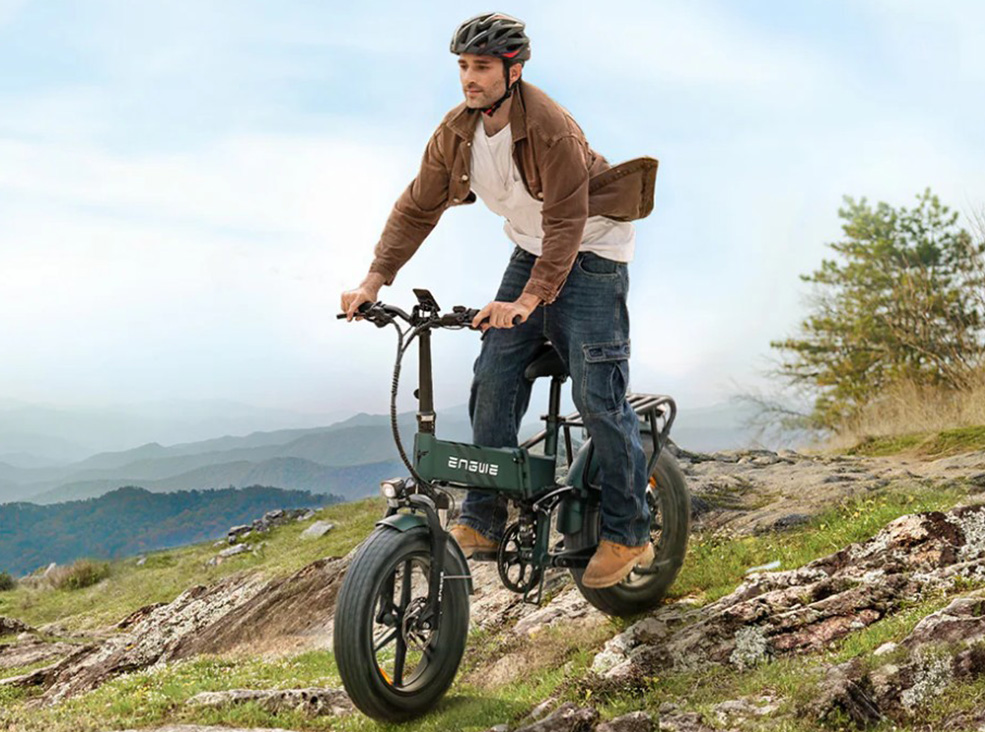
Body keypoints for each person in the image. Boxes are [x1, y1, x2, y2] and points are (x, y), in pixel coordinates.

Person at [341, 12, 658, 588]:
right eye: (463, 66)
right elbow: (417, 207)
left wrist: (529, 299)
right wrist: (373, 281)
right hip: (532, 250)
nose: (469, 78)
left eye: (482, 67)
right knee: (493, 373)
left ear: (512, 70)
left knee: (598, 396)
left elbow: (566, 221)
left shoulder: (551, 128)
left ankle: (629, 532)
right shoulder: (457, 131)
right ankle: (484, 519)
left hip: (592, 253)